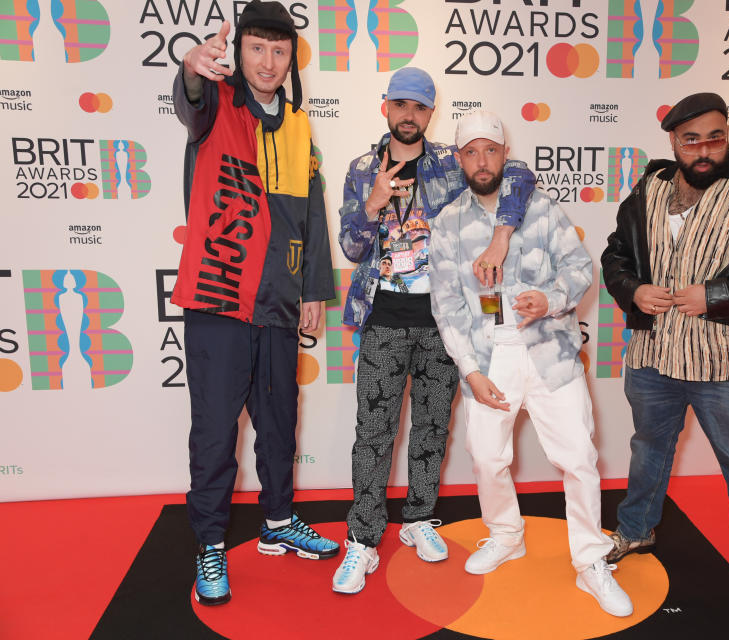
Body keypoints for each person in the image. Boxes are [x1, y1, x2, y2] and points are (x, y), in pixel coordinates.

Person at [600, 92, 729, 637]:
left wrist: (717, 294)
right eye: (690, 138)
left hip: (725, 363)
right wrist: (633, 289)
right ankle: (636, 530)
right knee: (648, 449)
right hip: (653, 357)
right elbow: (615, 257)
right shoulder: (649, 188)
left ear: (728, 135)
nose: (703, 148)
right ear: (673, 141)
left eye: (714, 136)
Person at [334, 69, 534, 594]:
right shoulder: (361, 169)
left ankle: (419, 518)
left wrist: (500, 237)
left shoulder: (454, 161)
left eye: (419, 108)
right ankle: (362, 539)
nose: (409, 115)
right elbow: (352, 249)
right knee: (373, 434)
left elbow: (520, 178)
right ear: (385, 108)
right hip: (382, 319)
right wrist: (374, 203)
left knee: (430, 428)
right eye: (400, 105)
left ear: (430, 114)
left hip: (446, 321)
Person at [429, 110, 633, 618]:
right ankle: (505, 536)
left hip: (552, 355)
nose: (482, 161)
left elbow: (580, 267)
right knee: (487, 457)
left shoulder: (541, 209)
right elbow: (446, 305)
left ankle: (590, 561)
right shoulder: (448, 223)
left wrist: (552, 298)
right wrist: (470, 371)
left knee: (578, 460)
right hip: (488, 359)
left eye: (491, 150)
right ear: (459, 159)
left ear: (505, 154)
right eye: (471, 152)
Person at [171, 0, 338, 606]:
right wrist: (192, 70)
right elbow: (189, 99)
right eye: (257, 48)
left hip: (278, 303)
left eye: (280, 49)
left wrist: (315, 287)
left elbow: (310, 211)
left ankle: (277, 520)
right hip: (219, 295)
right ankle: (210, 543)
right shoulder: (217, 103)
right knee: (215, 431)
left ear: (292, 57)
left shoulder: (297, 123)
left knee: (279, 422)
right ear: (239, 52)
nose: (268, 61)